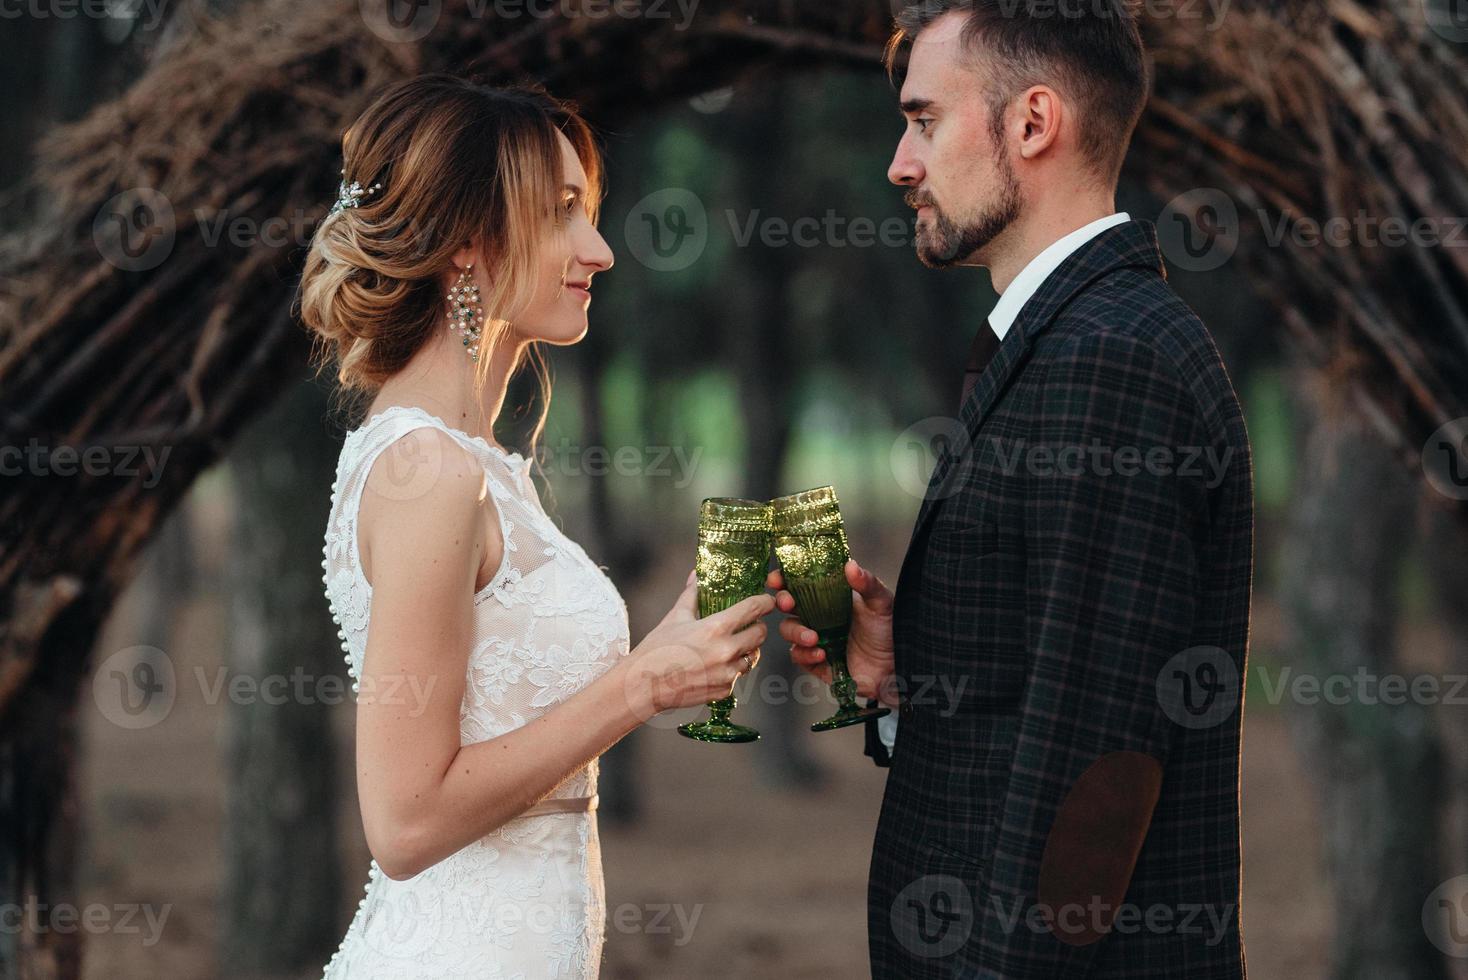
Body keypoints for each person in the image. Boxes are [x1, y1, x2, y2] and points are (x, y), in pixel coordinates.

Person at [771, 3, 1253, 977]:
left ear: (1032, 123)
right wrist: (909, 679)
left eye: (924, 120)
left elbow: (1095, 778)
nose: (900, 164)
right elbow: (1050, 699)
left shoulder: (1107, 360)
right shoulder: (1072, 340)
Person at [298, 73, 773, 978]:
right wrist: (637, 687)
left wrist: (673, 649)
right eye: (562, 212)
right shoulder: (429, 472)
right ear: (466, 243)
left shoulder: (486, 468)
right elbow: (403, 823)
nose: (599, 248)